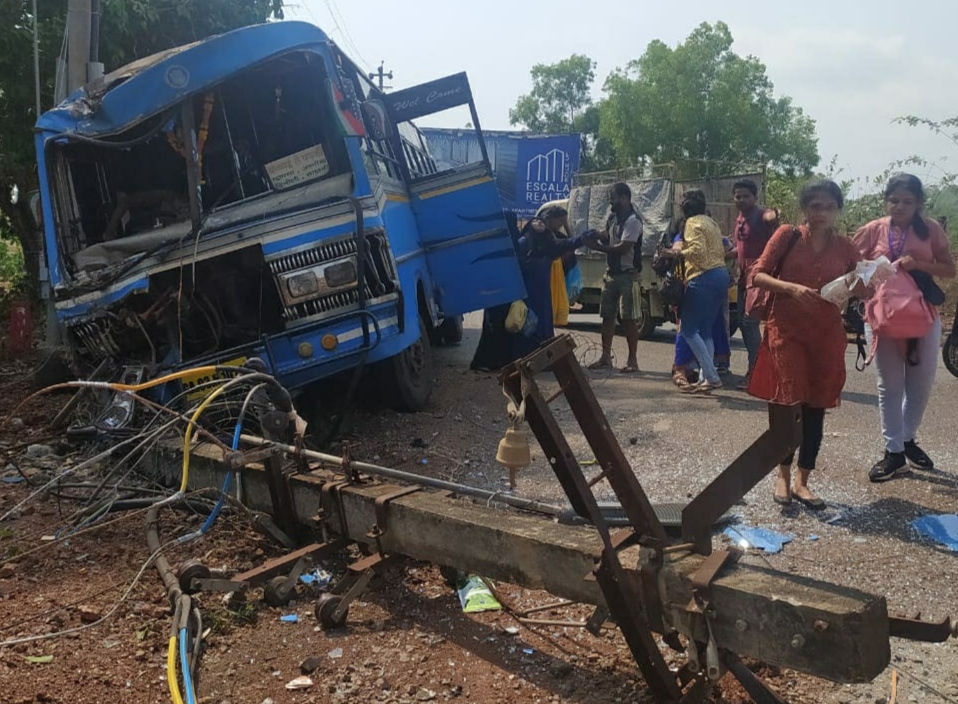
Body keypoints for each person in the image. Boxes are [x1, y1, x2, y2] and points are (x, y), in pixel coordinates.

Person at [748, 179, 861, 509]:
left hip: (826, 335)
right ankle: (782, 476)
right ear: (805, 209)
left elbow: (861, 286)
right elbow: (757, 274)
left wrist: (863, 281)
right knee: (787, 404)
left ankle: (803, 481)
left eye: (829, 207)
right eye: (815, 206)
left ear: (837, 210)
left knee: (816, 406)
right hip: (787, 331)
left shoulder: (845, 246)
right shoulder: (787, 235)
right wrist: (790, 289)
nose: (822, 213)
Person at [853, 174, 956, 482]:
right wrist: (871, 271)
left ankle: (907, 440)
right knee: (890, 385)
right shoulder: (873, 230)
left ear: (918, 204)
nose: (899, 206)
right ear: (886, 200)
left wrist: (919, 264)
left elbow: (949, 269)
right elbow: (852, 267)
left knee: (921, 384)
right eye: (894, 200)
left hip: (922, 316)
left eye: (907, 201)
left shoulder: (932, 230)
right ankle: (893, 452)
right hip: (882, 316)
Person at [658, 190, 730, 393]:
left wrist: (674, 252)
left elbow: (697, 251)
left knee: (688, 329)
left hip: (703, 277)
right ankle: (706, 377)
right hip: (720, 275)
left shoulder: (691, 223)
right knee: (705, 330)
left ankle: (712, 377)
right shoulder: (711, 223)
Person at [585, 182, 643, 373]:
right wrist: (592, 235)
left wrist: (597, 247)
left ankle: (633, 360)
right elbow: (606, 236)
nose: (611, 201)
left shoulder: (634, 221)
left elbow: (623, 247)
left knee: (628, 319)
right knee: (607, 317)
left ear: (625, 198)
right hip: (611, 274)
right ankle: (605, 357)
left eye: (614, 197)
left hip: (628, 275)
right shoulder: (613, 218)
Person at [732, 179, 780, 388]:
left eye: (746, 196)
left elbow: (772, 216)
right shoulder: (740, 217)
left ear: (755, 197)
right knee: (745, 323)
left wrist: (774, 214)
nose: (741, 199)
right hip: (744, 278)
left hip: (760, 276)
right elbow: (740, 248)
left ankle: (758, 373)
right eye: (738, 196)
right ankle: (762, 370)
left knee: (750, 323)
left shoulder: (761, 215)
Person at [542, 205, 573, 328]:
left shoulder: (557, 235)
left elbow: (571, 242)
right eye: (560, 221)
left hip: (556, 273)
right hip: (545, 273)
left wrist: (566, 225)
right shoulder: (541, 233)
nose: (561, 224)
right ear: (551, 219)